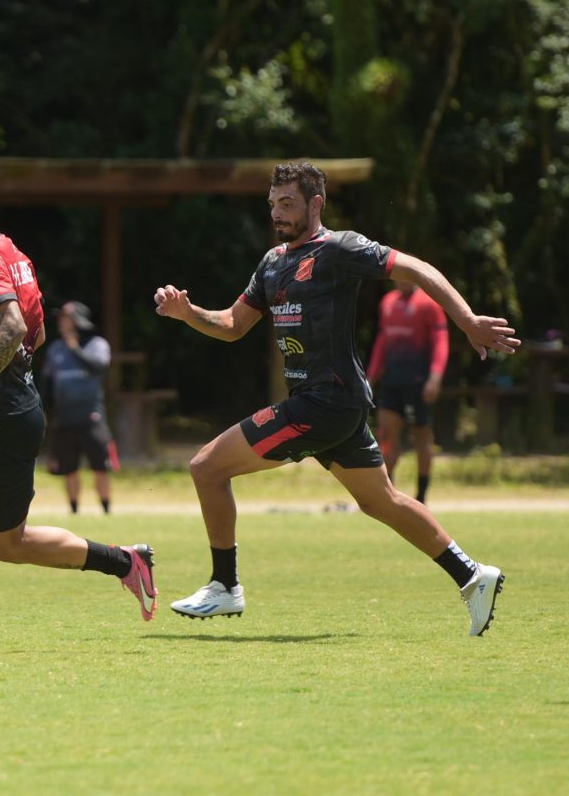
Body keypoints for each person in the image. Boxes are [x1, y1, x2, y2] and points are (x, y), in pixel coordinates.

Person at [153, 162, 519, 636]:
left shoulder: (340, 249)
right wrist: (188, 313)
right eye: (273, 205)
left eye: (288, 204)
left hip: (324, 404)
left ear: (315, 204)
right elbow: (232, 326)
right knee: (382, 501)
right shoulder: (272, 263)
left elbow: (417, 267)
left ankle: (225, 585)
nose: (278, 214)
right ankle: (472, 575)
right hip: (333, 406)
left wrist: (467, 321)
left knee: (206, 467)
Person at [0, 172, 157, 651]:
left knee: (8, 544)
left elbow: (14, 324)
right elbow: (36, 336)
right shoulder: (13, 254)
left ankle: (126, 561)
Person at [366, 283, 449, 503]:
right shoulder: (388, 302)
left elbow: (441, 341)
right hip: (392, 383)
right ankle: (387, 492)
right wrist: (370, 377)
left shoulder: (428, 303)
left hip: (418, 384)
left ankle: (421, 494)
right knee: (386, 436)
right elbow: (382, 341)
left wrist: (435, 377)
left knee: (421, 437)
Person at [42, 301, 117, 514]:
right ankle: (74, 510)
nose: (61, 322)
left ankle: (106, 509)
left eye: (66, 318)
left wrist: (75, 349)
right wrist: (44, 411)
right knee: (69, 469)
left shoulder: (97, 344)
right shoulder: (55, 348)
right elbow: (47, 383)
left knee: (101, 467)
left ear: (78, 321)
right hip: (64, 418)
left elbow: (99, 367)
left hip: (91, 417)